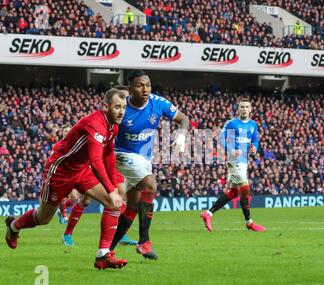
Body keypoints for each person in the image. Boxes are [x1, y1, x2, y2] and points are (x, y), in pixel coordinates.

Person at [4, 88, 129, 270]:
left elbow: (108, 154)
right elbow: (95, 160)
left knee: (113, 203)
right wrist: (110, 189)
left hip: (82, 170)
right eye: (117, 107)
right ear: (105, 106)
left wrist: (113, 188)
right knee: (44, 218)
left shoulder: (113, 126)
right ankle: (13, 227)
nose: (121, 111)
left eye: (124, 107)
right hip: (60, 171)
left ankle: (103, 255)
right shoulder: (96, 124)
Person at [108, 70, 190, 260]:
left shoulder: (158, 103)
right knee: (151, 185)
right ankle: (144, 242)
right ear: (129, 88)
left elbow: (183, 118)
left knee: (133, 206)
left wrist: (181, 135)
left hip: (143, 159)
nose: (144, 89)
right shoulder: (121, 108)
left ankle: (107, 250)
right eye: (139, 85)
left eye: (147, 84)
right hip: (120, 154)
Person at [59, 87, 138, 247]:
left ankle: (119, 233)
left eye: (126, 103)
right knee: (86, 199)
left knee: (121, 194)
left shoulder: (128, 119)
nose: (125, 107)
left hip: (114, 161)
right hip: (97, 160)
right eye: (121, 103)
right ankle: (68, 233)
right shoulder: (103, 120)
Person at [200, 99, 266, 232]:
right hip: (233, 159)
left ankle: (208, 213)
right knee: (245, 188)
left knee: (234, 192)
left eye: (247, 107)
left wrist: (254, 148)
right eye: (242, 107)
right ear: (239, 109)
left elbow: (255, 140)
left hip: (244, 161)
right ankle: (249, 222)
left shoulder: (253, 125)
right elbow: (220, 139)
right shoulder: (231, 123)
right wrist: (231, 150)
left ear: (250, 109)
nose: (244, 109)